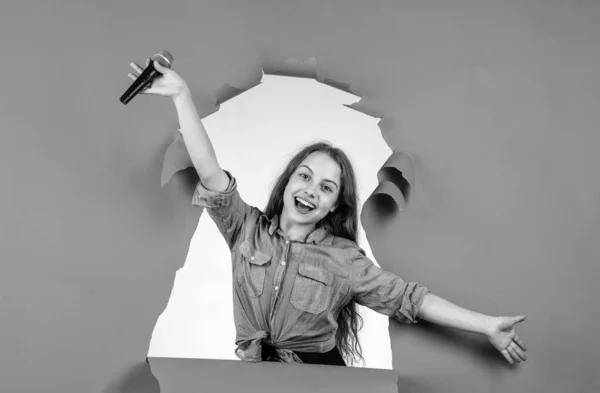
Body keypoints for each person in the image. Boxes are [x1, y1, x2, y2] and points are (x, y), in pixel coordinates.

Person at [127, 59, 528, 367]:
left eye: (326, 187)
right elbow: (209, 169)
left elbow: (409, 298)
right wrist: (181, 96)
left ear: (333, 204)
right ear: (287, 184)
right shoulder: (244, 228)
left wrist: (486, 325)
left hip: (320, 380)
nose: (311, 190)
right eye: (305, 176)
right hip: (252, 378)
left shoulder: (343, 259)